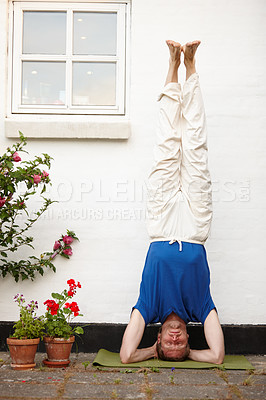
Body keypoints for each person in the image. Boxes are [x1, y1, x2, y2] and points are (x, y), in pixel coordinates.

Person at [120, 40, 225, 364]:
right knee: (194, 146)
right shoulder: (199, 308)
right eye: (181, 344)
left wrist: (151, 353)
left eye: (170, 344)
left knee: (167, 144)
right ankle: (190, 67)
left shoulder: (148, 307)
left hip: (161, 224)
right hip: (195, 228)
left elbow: (125, 356)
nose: (176, 339)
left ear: (160, 338)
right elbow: (219, 356)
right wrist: (192, 356)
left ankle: (171, 64)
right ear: (189, 337)